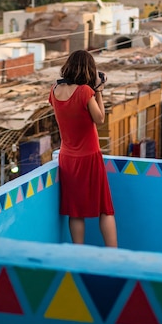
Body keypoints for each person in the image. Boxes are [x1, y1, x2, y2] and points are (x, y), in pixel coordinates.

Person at [49, 50, 117, 247]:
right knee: (105, 209)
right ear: (89, 69)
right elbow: (100, 119)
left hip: (67, 158)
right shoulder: (85, 92)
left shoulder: (54, 90)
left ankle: (79, 254)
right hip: (89, 156)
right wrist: (99, 91)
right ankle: (114, 254)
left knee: (75, 211)